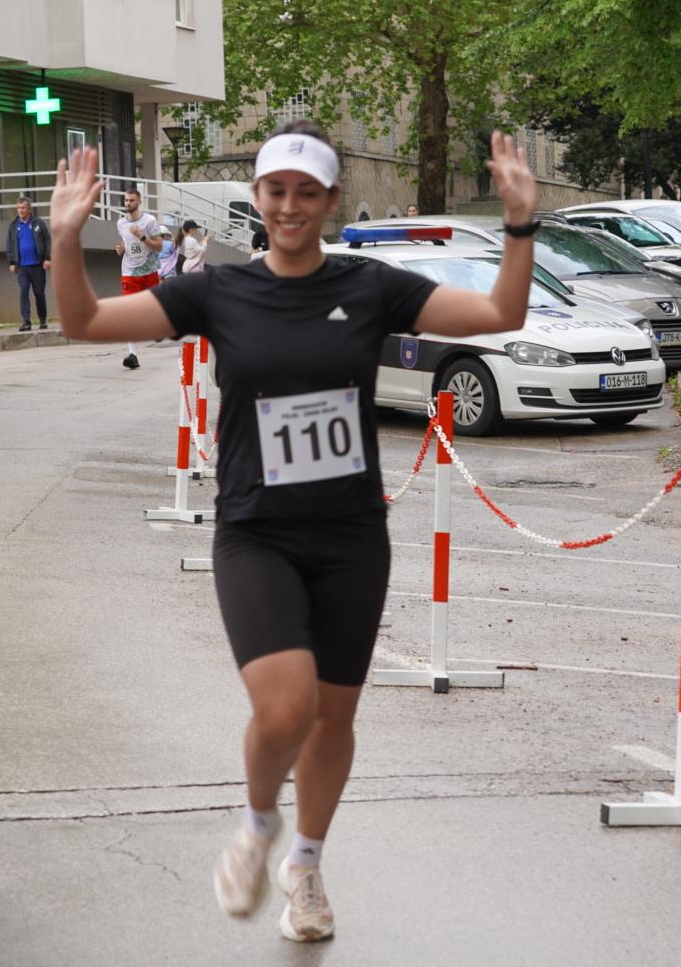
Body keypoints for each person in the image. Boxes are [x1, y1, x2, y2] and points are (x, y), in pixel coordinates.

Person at [49, 121, 537, 944]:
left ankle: (305, 866)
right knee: (285, 710)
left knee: (335, 721)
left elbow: (499, 310)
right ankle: (257, 825)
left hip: (351, 536)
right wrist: (66, 240)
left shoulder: (372, 285)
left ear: (331, 202)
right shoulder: (216, 291)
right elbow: (85, 323)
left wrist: (521, 225)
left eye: (307, 193)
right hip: (256, 534)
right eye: (276, 190)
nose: (290, 206)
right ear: (257, 198)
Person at [115, 189, 158, 369]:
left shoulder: (149, 221)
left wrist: (142, 236)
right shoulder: (120, 223)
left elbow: (159, 245)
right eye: (125, 200)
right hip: (129, 272)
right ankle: (133, 355)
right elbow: (126, 241)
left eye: (131, 200)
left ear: (140, 201)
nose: (127, 204)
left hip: (148, 271)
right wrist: (121, 249)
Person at [5, 197, 52, 332]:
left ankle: (42, 320)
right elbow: (9, 245)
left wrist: (47, 258)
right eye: (19, 208)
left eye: (23, 208)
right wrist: (12, 262)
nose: (21, 210)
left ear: (29, 209)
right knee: (24, 292)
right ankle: (26, 322)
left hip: (37, 265)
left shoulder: (38, 223)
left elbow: (47, 240)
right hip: (22, 267)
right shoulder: (13, 226)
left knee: (39, 293)